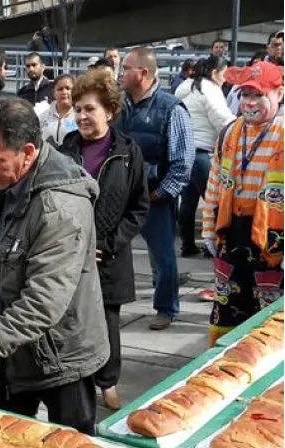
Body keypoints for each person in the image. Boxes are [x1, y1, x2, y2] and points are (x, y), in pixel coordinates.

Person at [0, 97, 108, 434]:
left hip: (62, 358)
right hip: (18, 349)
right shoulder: (14, 180)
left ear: (28, 152)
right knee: (4, 443)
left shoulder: (58, 205)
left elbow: (43, 302)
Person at [59, 70, 149, 411]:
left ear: (109, 111)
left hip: (110, 257)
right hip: (71, 254)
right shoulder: (64, 151)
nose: (82, 115)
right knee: (72, 322)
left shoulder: (128, 152)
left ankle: (107, 381)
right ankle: (77, 381)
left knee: (108, 323)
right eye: (78, 109)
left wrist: (108, 244)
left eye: (90, 109)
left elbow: (139, 208)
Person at [202, 61, 285, 344]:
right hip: (232, 232)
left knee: (271, 316)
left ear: (279, 93)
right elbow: (215, 182)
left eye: (258, 95)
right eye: (245, 94)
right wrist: (208, 227)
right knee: (228, 308)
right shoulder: (229, 132)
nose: (249, 102)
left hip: (273, 240)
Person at [115, 47, 194, 330]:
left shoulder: (171, 109)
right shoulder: (119, 106)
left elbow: (182, 164)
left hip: (154, 197)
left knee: (163, 258)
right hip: (121, 196)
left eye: (125, 68)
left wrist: (156, 195)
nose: (120, 74)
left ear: (144, 73)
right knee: (110, 251)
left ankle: (166, 309)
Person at [175, 56, 235, 258]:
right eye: (224, 74)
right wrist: (240, 130)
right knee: (214, 202)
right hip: (201, 153)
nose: (225, 80)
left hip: (183, 152)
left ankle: (187, 245)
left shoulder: (184, 87)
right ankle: (215, 245)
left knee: (188, 202)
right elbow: (222, 120)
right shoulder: (210, 89)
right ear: (213, 73)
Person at [37, 74, 77, 145]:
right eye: (60, 89)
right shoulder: (42, 116)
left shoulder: (79, 115)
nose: (64, 92)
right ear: (54, 93)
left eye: (68, 88)